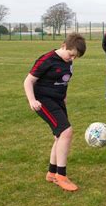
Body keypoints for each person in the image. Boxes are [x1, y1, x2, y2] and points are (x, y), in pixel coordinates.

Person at [23, 33, 86, 192]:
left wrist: (63, 96)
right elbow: (28, 81)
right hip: (42, 100)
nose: (72, 59)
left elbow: (64, 81)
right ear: (64, 45)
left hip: (57, 101)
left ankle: (52, 173)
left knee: (60, 136)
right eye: (71, 54)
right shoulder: (47, 59)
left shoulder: (69, 61)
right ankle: (61, 176)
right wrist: (32, 100)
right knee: (66, 132)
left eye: (76, 57)